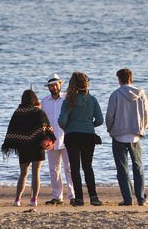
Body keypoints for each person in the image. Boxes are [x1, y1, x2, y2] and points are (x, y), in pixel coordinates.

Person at [106, 68, 148, 206]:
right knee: (138, 167)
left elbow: (109, 116)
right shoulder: (141, 94)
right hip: (135, 135)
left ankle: (127, 199)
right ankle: (141, 198)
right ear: (131, 78)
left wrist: (110, 129)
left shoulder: (115, 94)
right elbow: (146, 115)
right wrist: (142, 129)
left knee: (122, 169)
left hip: (119, 134)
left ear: (119, 79)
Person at [58, 72, 104, 206]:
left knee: (75, 168)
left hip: (72, 136)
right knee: (88, 167)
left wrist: (68, 127)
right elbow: (100, 120)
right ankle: (94, 197)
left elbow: (62, 121)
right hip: (88, 136)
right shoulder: (92, 99)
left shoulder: (68, 101)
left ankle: (79, 199)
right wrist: (89, 125)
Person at [2, 89, 53, 207]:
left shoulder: (18, 112)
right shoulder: (38, 112)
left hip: (23, 146)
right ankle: (34, 200)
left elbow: (12, 131)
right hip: (38, 146)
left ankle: (17, 200)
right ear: (35, 99)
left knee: (23, 173)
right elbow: (47, 129)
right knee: (36, 173)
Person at [40, 73, 75, 206]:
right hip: (51, 140)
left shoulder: (67, 99)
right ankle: (57, 196)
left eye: (56, 84)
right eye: (51, 85)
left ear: (60, 84)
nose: (54, 87)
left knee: (70, 168)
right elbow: (41, 120)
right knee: (54, 169)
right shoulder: (44, 101)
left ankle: (73, 195)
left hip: (67, 138)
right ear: (48, 87)